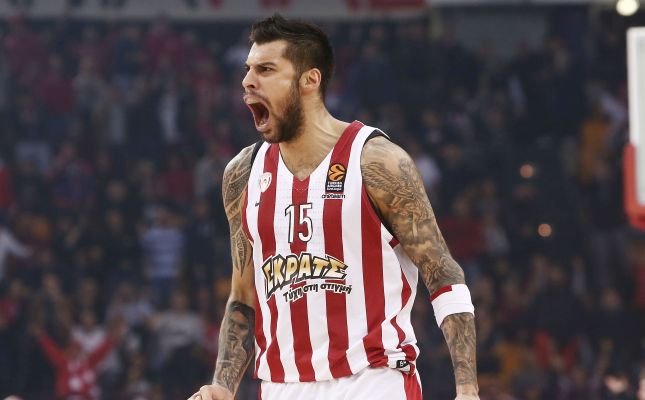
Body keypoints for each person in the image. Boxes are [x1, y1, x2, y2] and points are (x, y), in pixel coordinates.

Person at [189, 14, 479, 400]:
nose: (248, 81)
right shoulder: (242, 174)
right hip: (280, 387)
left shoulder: (377, 160)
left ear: (309, 80)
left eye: (266, 69)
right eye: (248, 70)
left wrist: (467, 389)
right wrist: (223, 385)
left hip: (372, 380)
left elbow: (442, 272)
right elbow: (244, 297)